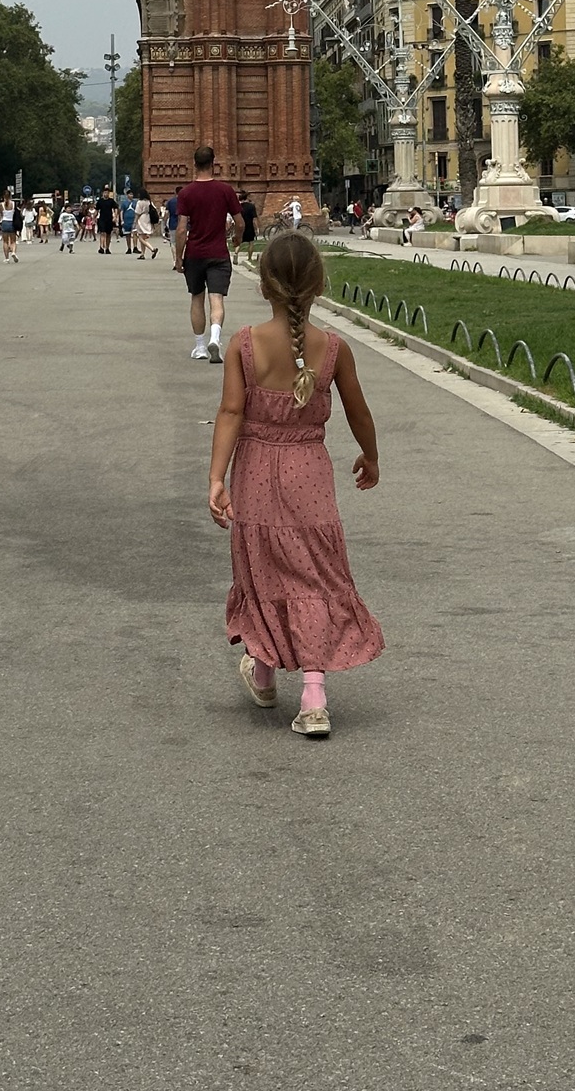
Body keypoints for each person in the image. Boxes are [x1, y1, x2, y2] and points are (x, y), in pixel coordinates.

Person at [209, 232, 383, 738]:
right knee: (313, 576)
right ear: (318, 285)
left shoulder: (244, 344)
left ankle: (263, 672)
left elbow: (231, 412)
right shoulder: (333, 349)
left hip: (257, 474)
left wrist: (217, 477)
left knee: (263, 572)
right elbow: (359, 411)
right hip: (310, 476)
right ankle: (312, 695)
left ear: (263, 285)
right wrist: (371, 458)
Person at [175, 145, 240, 363]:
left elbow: (182, 229)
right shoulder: (225, 190)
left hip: (194, 254)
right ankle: (215, 338)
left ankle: (201, 346)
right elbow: (239, 222)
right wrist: (238, 238)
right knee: (217, 299)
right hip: (219, 253)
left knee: (196, 298)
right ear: (214, 163)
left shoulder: (186, 193)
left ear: (194, 164)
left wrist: (178, 257)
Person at [96, 184, 116, 255]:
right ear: (103, 193)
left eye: (107, 193)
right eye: (105, 193)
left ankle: (107, 248)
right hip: (102, 219)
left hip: (109, 219)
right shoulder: (100, 201)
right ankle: (101, 247)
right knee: (102, 233)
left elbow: (115, 208)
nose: (106, 194)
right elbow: (96, 210)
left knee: (108, 234)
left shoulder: (111, 201)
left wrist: (115, 216)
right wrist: (94, 218)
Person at [238, 191, 258, 257]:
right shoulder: (251, 206)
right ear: (247, 198)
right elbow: (254, 218)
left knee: (239, 242)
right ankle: (249, 257)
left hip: (241, 225)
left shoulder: (238, 206)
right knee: (251, 243)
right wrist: (257, 228)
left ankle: (236, 254)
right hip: (249, 226)